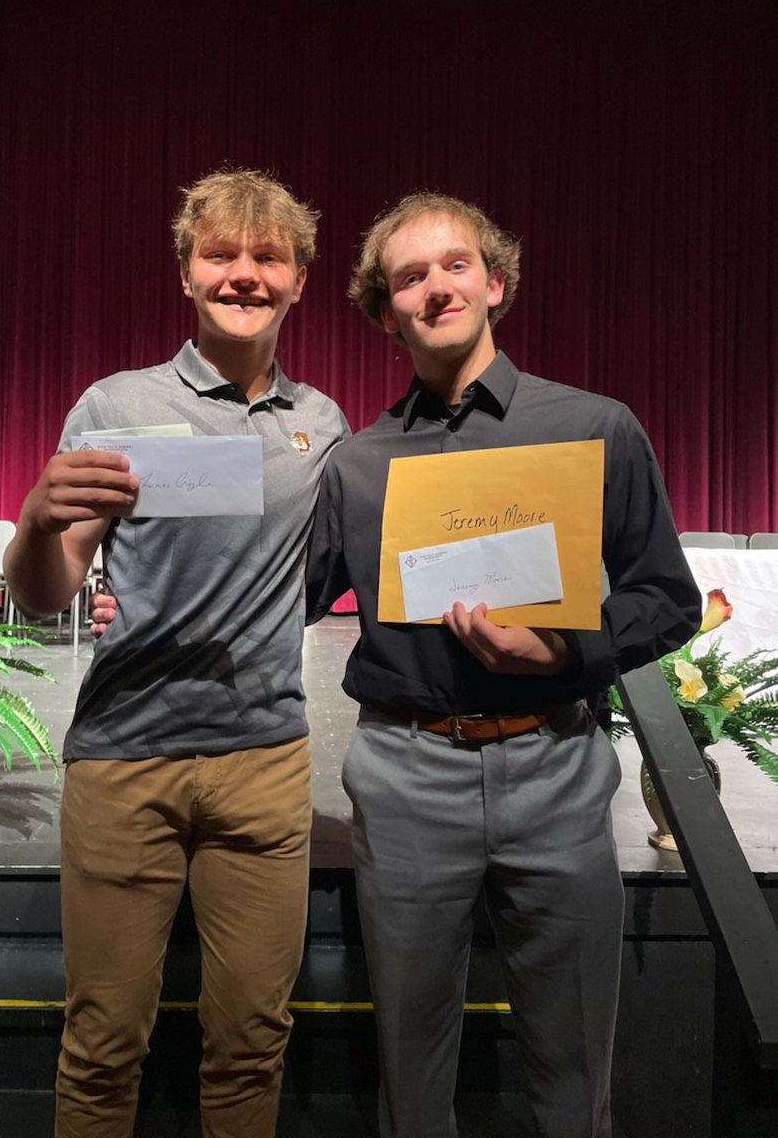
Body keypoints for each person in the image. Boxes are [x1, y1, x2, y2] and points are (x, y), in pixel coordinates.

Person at [305, 192, 701, 1138]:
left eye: (455, 265)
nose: (436, 288)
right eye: (410, 277)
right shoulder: (358, 463)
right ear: (386, 310)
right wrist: (142, 594)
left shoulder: (595, 427)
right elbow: (288, 595)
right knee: (411, 1072)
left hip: (556, 763)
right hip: (406, 774)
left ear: (495, 282)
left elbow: (665, 599)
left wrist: (566, 647)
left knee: (574, 1067)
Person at [3, 168, 348, 1138]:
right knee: (103, 1044)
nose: (244, 274)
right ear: (186, 273)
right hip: (123, 760)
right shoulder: (115, 407)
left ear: (299, 279)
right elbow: (45, 594)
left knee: (252, 1044)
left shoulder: (323, 426)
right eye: (220, 254)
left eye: (267, 257)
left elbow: (324, 576)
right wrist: (37, 521)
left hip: (265, 765)